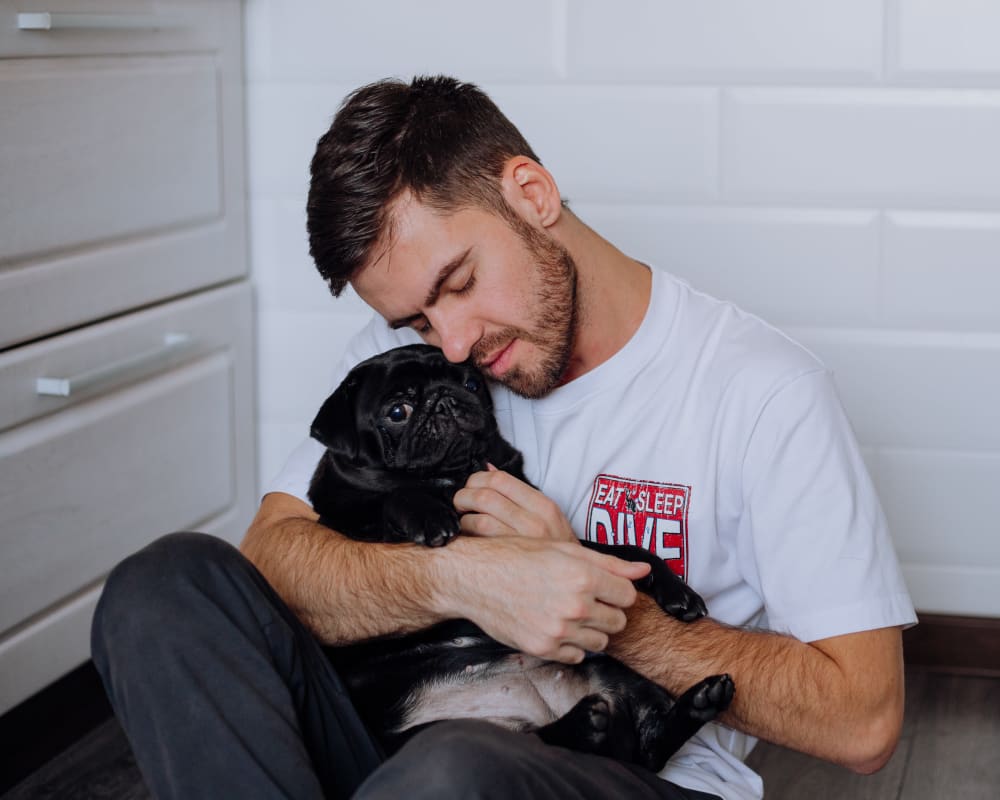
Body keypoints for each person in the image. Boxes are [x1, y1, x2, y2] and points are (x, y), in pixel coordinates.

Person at [92, 75, 917, 800]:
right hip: (399, 738)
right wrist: (465, 579)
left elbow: (864, 720)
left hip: (618, 770)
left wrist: (614, 613)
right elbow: (273, 558)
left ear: (530, 192)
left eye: (458, 283)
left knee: (455, 768)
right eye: (416, 316)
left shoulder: (762, 391)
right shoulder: (405, 363)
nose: (449, 343)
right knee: (165, 586)